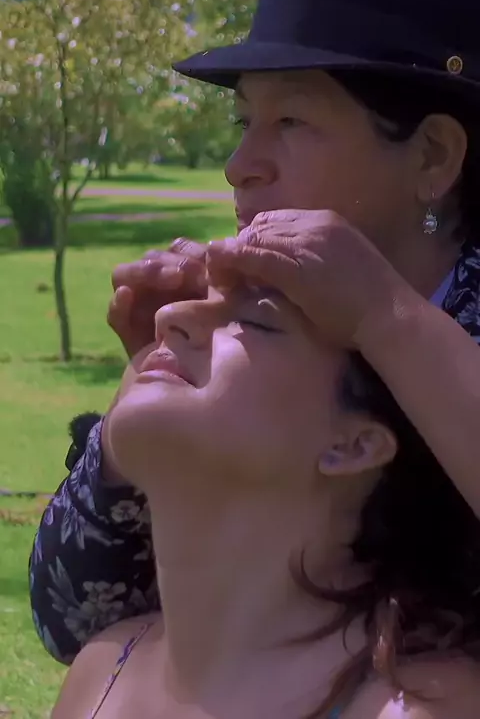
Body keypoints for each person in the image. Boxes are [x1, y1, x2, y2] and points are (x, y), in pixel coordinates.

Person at [30, 0, 480, 665]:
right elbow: (73, 619)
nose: (241, 165)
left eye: (292, 120)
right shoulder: (253, 323)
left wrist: (385, 317)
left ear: (433, 157)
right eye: (245, 120)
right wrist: (158, 391)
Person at [52, 285, 480, 719]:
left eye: (254, 319)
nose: (168, 317)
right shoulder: (103, 668)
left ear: (354, 445)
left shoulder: (417, 706)